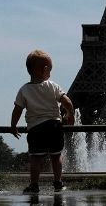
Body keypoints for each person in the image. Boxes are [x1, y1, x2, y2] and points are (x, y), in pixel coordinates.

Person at [9, 49, 75, 193]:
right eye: (50, 70)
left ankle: (34, 185)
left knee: (35, 159)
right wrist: (71, 115)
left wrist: (13, 126)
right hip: (54, 126)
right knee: (56, 157)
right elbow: (67, 102)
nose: (50, 73)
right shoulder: (53, 86)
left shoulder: (24, 90)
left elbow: (17, 110)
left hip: (36, 128)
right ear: (45, 69)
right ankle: (58, 182)